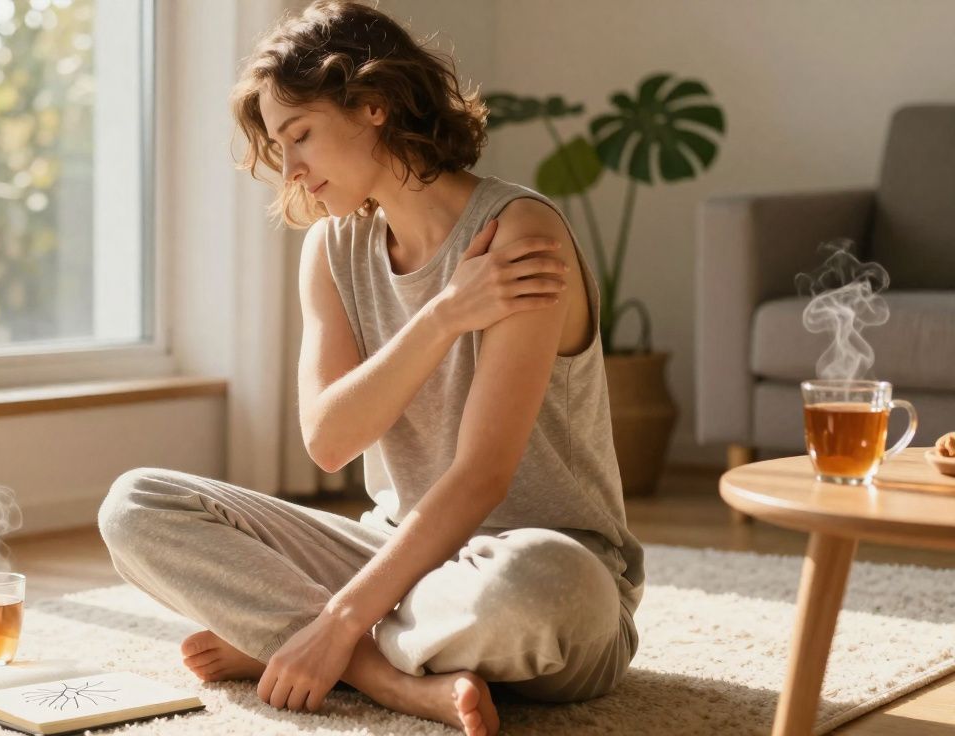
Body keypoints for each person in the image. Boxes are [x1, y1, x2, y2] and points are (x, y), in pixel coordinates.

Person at [97, 2, 644, 734]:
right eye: (279, 145)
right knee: (135, 505)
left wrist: (337, 617)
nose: (290, 168)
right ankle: (381, 674)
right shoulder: (331, 250)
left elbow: (483, 478)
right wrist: (443, 315)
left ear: (373, 104)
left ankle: (298, 638)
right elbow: (329, 441)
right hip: (391, 558)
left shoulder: (518, 235)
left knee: (543, 584)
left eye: (301, 134)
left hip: (533, 575)